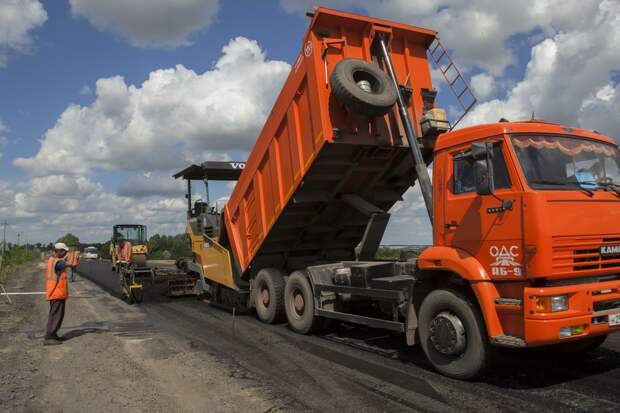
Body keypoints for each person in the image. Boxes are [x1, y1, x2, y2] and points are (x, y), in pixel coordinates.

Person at [44, 243, 70, 345]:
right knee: (56, 315)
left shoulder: (53, 260)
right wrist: (70, 256)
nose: (65, 253)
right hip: (56, 293)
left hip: (57, 293)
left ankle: (53, 334)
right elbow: (68, 264)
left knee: (57, 315)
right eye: (64, 251)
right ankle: (50, 336)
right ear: (58, 251)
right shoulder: (57, 262)